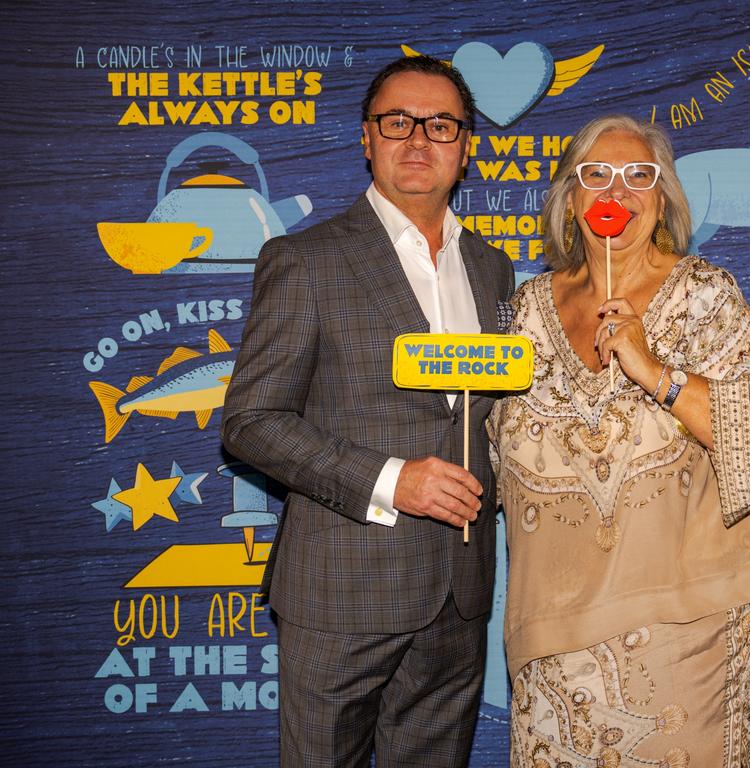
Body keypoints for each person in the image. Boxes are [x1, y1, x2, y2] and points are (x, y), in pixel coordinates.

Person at [487, 115, 750, 767]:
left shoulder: (703, 294)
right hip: (550, 639)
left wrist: (658, 374)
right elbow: (498, 451)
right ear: (569, 197)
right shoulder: (524, 309)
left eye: (640, 176)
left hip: (686, 633)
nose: (619, 192)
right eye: (597, 176)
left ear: (663, 197)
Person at [221, 55, 514, 767]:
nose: (419, 138)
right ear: (366, 138)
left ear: (467, 144)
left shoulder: (493, 267)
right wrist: (390, 479)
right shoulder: (305, 260)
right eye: (397, 122)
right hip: (340, 594)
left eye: (441, 124)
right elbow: (251, 420)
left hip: (459, 594)